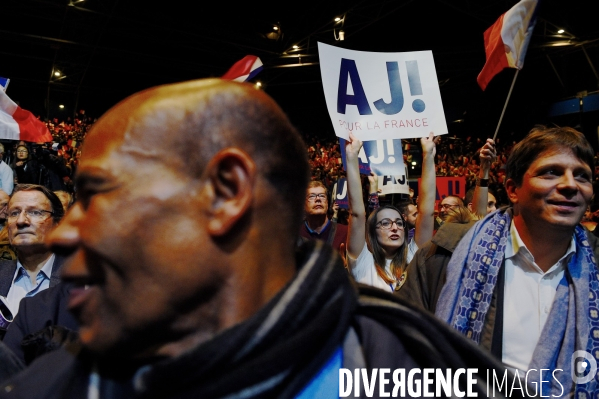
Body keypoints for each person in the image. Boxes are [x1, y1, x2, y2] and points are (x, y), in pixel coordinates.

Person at [0, 79, 518, 398]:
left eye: (100, 195)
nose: (65, 231)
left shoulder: (425, 377)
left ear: (227, 193)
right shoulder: (48, 387)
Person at [435, 126, 598, 396]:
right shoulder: (446, 256)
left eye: (582, 176)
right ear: (513, 189)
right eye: (551, 172)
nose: (570, 184)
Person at [345, 132, 436, 292]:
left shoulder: (413, 257)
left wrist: (428, 155)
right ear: (373, 231)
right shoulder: (363, 262)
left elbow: (426, 213)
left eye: (399, 223)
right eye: (385, 223)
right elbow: (357, 214)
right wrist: (352, 158)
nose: (395, 228)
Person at [0, 185, 66, 322]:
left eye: (35, 212)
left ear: (58, 223)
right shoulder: (2, 273)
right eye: (14, 213)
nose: (21, 221)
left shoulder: (79, 281)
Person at [299, 181, 347, 254]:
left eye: (322, 196)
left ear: (327, 203)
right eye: (311, 196)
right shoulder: (295, 237)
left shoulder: (344, 233)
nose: (318, 199)